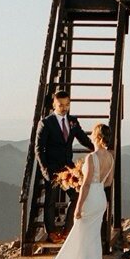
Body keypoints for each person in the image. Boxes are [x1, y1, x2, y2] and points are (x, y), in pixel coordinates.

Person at [14, 123, 114, 259]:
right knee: (92, 238)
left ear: (96, 137)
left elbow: (86, 185)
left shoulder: (91, 158)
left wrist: (77, 207)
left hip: (90, 198)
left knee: (79, 238)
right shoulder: (111, 158)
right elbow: (107, 182)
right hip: (101, 200)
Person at [35, 92, 94, 242]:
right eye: (61, 105)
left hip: (69, 168)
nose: (64, 108)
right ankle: (52, 232)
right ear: (54, 105)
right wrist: (45, 170)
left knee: (76, 197)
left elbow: (83, 138)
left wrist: (97, 147)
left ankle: (67, 230)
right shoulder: (46, 123)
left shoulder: (73, 121)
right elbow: (38, 149)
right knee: (50, 201)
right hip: (52, 169)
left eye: (67, 104)